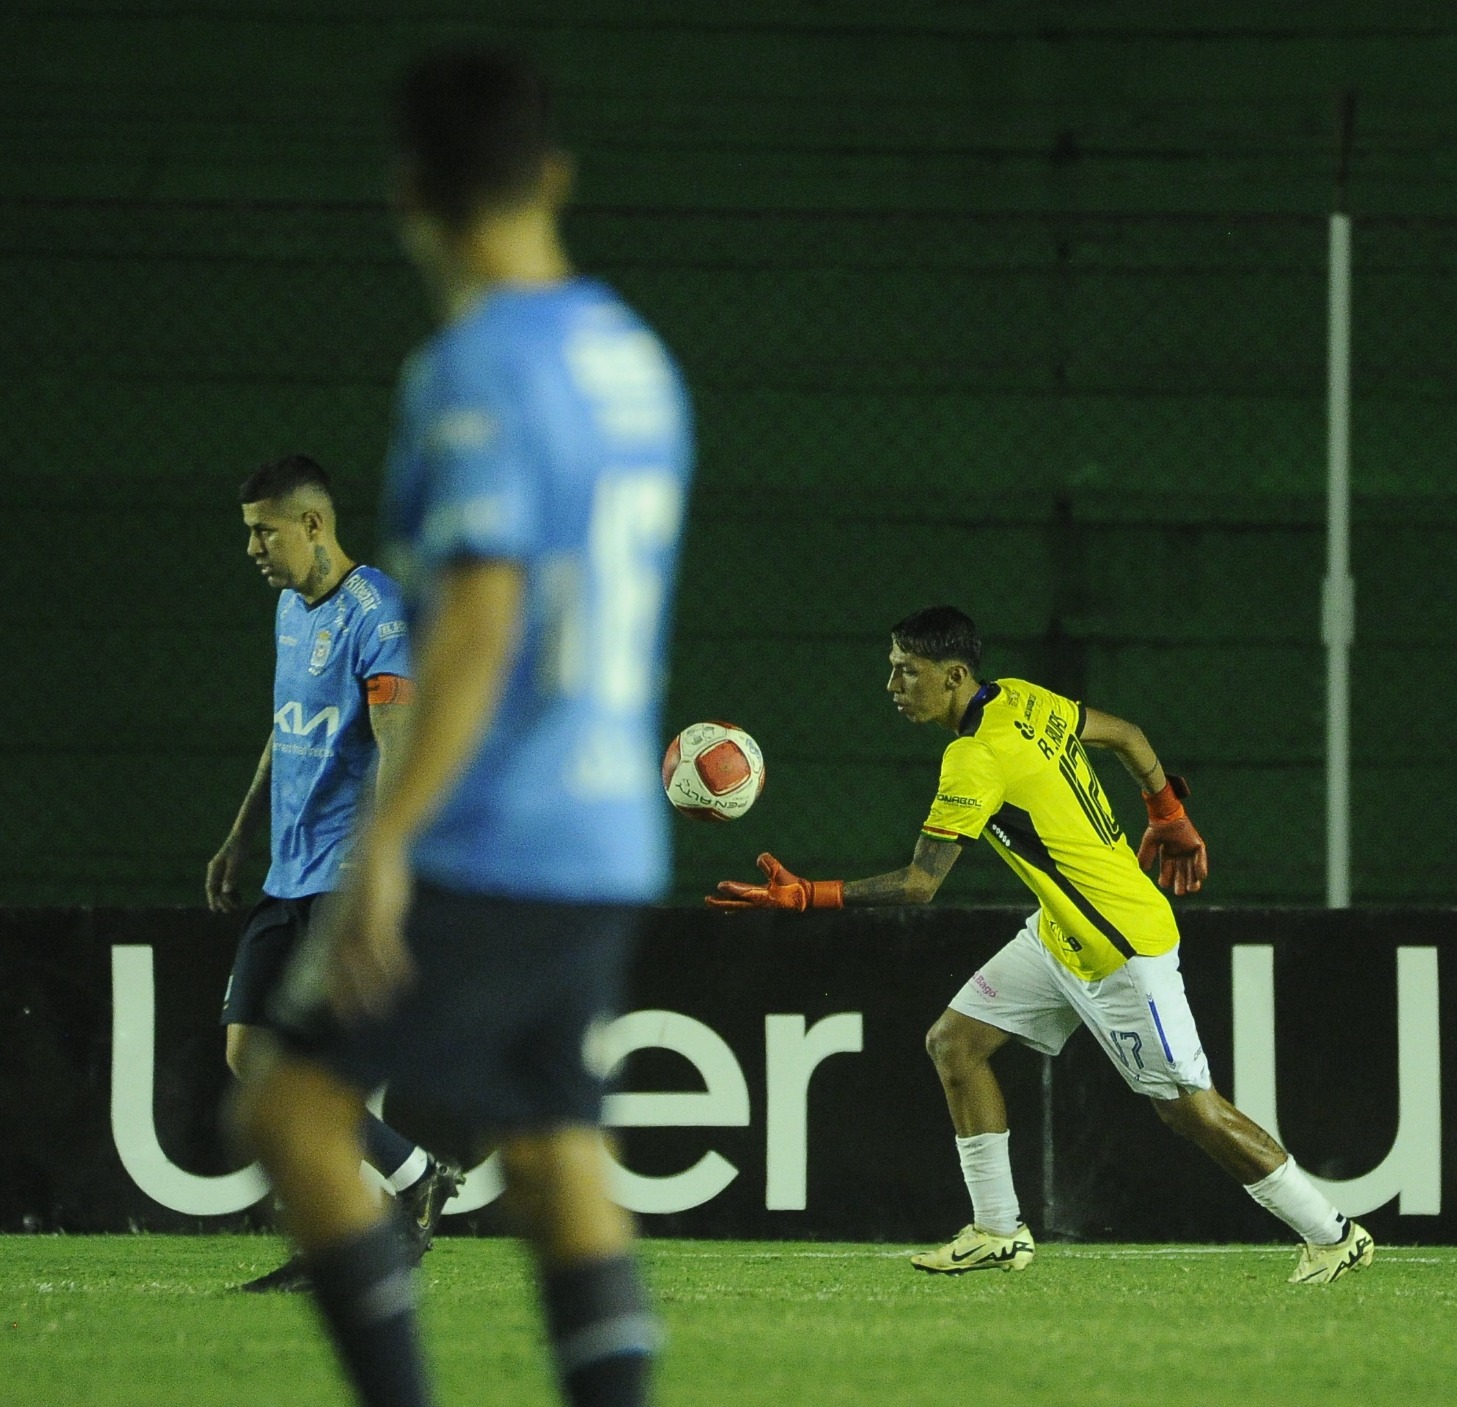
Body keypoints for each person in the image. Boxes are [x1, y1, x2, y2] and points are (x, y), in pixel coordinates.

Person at [233, 48, 692, 1407]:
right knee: (553, 1146)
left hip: (497, 825)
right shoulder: (634, 359)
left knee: (289, 1106)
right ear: (554, 174)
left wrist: (390, 843)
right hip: (609, 829)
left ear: (409, 193)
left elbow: (480, 625)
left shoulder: (473, 367)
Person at [711, 605, 1375, 1286]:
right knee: (954, 1043)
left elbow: (918, 886)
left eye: (907, 671)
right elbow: (1128, 734)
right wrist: (1168, 814)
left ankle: (1333, 1232)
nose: (893, 686)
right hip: (1061, 934)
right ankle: (998, 1228)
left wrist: (807, 895)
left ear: (954, 675)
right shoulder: (1021, 697)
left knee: (1191, 1110)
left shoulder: (974, 757)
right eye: (892, 669)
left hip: (1120, 947)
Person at [207, 453, 462, 1293]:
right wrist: (241, 835)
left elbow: (396, 744)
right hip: (287, 876)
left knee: (312, 1081)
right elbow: (287, 729)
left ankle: (348, 1243)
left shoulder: (378, 612)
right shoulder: (289, 608)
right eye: (249, 532)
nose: (252, 548)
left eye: (263, 531)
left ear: (314, 524)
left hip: (342, 878)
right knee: (250, 1052)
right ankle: (416, 1173)